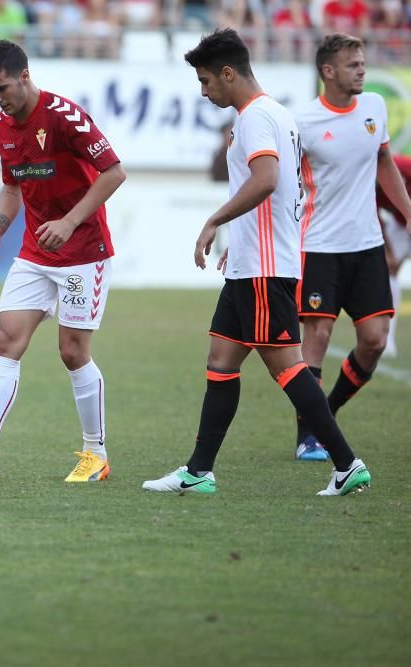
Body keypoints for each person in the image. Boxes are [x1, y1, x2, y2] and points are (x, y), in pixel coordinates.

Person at [142, 28, 371, 496]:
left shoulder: (255, 119)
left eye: (207, 81)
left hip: (264, 269)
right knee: (221, 360)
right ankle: (199, 471)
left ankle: (347, 465)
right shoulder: (276, 114)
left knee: (287, 368)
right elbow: (285, 190)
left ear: (229, 74)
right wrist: (239, 238)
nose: (204, 91)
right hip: (251, 263)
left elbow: (266, 180)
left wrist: (214, 221)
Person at [0, 40, 127, 483]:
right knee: (6, 341)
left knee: (72, 352)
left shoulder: (64, 118)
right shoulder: (2, 127)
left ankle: (96, 454)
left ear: (24, 75)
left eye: (2, 88)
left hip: (83, 254)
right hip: (36, 254)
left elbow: (115, 172)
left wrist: (71, 221)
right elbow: (12, 186)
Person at [291, 34, 411, 459]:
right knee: (318, 335)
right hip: (320, 245)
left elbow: (383, 162)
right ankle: (308, 436)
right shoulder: (302, 122)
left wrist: (408, 210)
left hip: (367, 246)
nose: (362, 70)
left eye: (363, 63)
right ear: (328, 71)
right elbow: (279, 186)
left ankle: (327, 411)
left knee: (375, 341)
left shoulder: (374, 108)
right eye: (353, 64)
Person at [377, 154, 411, 357]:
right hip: (399, 225)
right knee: (388, 270)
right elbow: (376, 216)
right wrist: (388, 251)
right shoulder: (365, 180)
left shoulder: (402, 165)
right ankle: (387, 340)